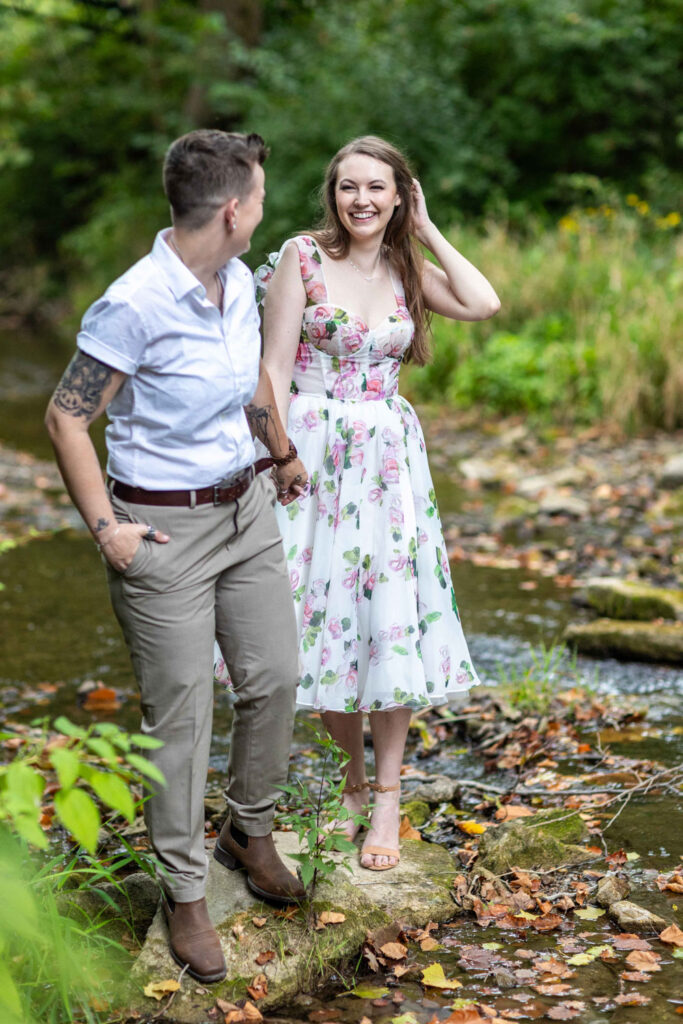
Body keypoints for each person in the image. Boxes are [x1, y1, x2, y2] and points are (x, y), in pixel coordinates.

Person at [45, 129, 308, 985]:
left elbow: (252, 382)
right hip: (162, 536)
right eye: (260, 198)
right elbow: (63, 417)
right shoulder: (135, 301)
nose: (264, 210)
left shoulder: (236, 280)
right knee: (181, 720)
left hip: (246, 510)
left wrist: (279, 454)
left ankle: (248, 831)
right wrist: (106, 527)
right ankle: (185, 892)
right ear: (232, 210)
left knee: (274, 677)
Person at [254, 135, 500, 871]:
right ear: (330, 195)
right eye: (347, 187)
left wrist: (424, 231)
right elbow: (268, 370)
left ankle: (388, 797)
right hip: (311, 455)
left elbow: (483, 303)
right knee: (325, 623)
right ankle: (353, 781)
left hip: (389, 462)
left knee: (389, 619)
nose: (360, 200)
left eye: (377, 189)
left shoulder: (404, 265)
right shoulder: (300, 258)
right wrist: (282, 457)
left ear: (398, 196)